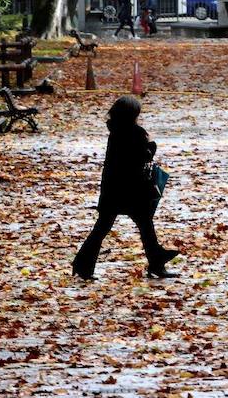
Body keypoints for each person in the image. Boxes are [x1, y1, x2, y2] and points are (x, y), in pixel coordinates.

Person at [72, 96, 180, 280]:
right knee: (142, 224)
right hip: (131, 189)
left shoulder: (115, 131)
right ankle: (156, 262)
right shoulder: (135, 133)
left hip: (113, 189)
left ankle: (83, 264)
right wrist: (151, 144)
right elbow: (144, 157)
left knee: (105, 228)